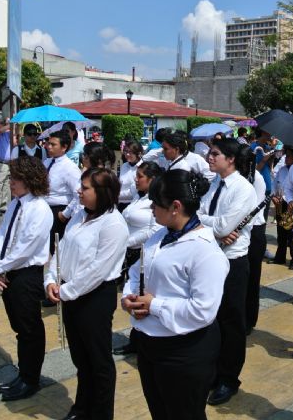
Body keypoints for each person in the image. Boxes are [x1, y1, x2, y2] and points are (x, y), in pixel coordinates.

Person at [123, 169, 228, 420]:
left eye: (156, 204)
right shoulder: (160, 235)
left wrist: (154, 305)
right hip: (151, 343)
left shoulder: (204, 251)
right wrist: (128, 296)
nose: (151, 209)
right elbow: (138, 271)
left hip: (184, 351)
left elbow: (203, 310)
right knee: (160, 411)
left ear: (175, 207)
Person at [46, 168, 128, 420]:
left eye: (85, 188)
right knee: (81, 358)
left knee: (98, 360)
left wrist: (66, 291)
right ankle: (82, 407)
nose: (78, 191)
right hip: (69, 291)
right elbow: (61, 247)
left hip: (94, 298)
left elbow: (97, 270)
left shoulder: (114, 224)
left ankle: (101, 413)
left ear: (102, 193)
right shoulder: (80, 215)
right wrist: (51, 278)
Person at [0, 155, 53, 401]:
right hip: (9, 270)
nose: (11, 182)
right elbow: (3, 235)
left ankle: (30, 379)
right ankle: (23, 374)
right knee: (18, 327)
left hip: (26, 274)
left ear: (29, 180)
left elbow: (25, 248)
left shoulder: (39, 208)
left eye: (16, 178)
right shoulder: (16, 204)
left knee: (29, 329)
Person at [199, 138, 256, 406]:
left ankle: (229, 379)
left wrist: (213, 225)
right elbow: (200, 216)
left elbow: (223, 227)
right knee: (211, 319)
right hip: (210, 256)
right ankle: (213, 371)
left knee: (231, 322)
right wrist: (214, 225)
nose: (209, 158)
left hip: (232, 261)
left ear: (230, 159)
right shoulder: (213, 184)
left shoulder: (243, 189)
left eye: (215, 154)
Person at [113, 161, 164, 357]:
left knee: (144, 296)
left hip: (143, 250)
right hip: (131, 250)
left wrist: (126, 241)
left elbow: (153, 230)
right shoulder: (137, 195)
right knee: (133, 295)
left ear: (151, 180)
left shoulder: (155, 200)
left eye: (140, 176)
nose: (136, 179)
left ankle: (143, 340)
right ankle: (136, 339)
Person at [241, 144, 268, 335]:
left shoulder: (256, 179)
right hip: (243, 230)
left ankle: (249, 319)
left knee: (252, 278)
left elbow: (251, 210)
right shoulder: (241, 178)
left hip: (254, 230)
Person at [43, 131, 81, 256]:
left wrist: (65, 213)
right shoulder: (47, 163)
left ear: (64, 147)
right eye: (48, 143)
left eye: (53, 145)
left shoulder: (69, 168)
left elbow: (78, 193)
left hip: (59, 211)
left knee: (58, 251)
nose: (49, 147)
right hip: (45, 209)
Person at [271, 145, 293, 267]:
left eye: (289, 156)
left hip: (292, 204)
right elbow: (274, 183)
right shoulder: (282, 170)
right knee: (281, 231)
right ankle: (280, 257)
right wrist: (273, 196)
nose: (286, 158)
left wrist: (292, 202)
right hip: (280, 203)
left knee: (292, 233)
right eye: (286, 156)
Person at [118, 140, 143, 211]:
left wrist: (115, 195)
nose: (127, 154)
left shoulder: (142, 168)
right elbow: (120, 183)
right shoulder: (124, 165)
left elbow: (134, 192)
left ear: (139, 154)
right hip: (120, 203)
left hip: (133, 205)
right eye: (126, 151)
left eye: (130, 152)